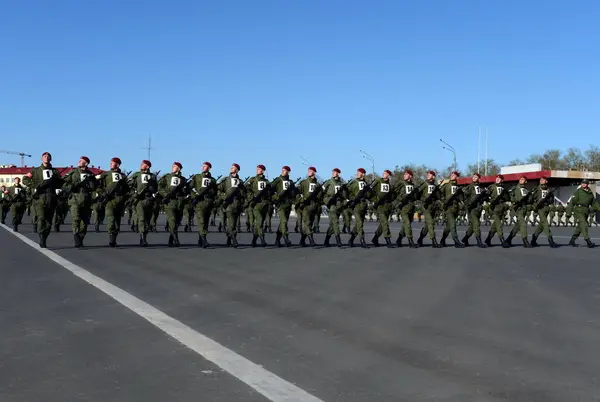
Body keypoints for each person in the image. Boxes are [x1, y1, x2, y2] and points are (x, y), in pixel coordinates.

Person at [22, 152, 64, 248]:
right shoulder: (35, 171)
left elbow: (61, 183)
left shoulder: (55, 172)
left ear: (51, 159)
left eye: (48, 156)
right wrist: (36, 186)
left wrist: (59, 188)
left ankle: (44, 236)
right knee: (41, 218)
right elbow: (25, 179)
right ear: (41, 158)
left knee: (49, 220)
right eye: (45, 156)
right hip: (40, 198)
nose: (46, 158)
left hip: (52, 197)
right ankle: (41, 236)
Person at [62, 156, 98, 247]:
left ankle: (81, 236)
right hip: (75, 197)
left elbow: (94, 187)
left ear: (86, 163)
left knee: (85, 222)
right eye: (79, 160)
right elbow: (63, 183)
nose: (79, 162)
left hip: (86, 198)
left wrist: (90, 182)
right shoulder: (73, 172)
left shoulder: (90, 174)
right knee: (76, 218)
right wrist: (71, 187)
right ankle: (76, 235)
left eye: (82, 161)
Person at [96, 157, 129, 247]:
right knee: (111, 219)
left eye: (112, 162)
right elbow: (99, 186)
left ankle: (114, 239)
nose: (110, 164)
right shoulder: (105, 175)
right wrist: (103, 194)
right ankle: (111, 237)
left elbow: (128, 190)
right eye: (110, 162)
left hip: (120, 201)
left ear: (117, 165)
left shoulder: (123, 176)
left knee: (117, 223)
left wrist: (125, 197)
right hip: (109, 200)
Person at [158, 162, 188, 247]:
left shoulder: (183, 179)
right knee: (172, 220)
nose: (172, 167)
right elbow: (160, 187)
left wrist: (184, 191)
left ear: (179, 168)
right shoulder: (167, 177)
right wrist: (166, 194)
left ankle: (171, 238)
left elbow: (187, 191)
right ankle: (176, 238)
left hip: (180, 202)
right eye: (173, 166)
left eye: (175, 166)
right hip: (170, 201)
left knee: (178, 221)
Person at [218, 163, 246, 247]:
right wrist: (225, 197)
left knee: (233, 223)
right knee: (232, 223)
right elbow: (219, 191)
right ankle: (234, 239)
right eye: (231, 167)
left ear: (237, 170)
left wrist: (242, 204)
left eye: (233, 168)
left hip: (237, 205)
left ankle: (229, 238)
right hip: (229, 204)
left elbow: (243, 195)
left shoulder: (240, 182)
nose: (231, 168)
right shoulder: (225, 180)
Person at [189, 162, 217, 248]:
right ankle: (204, 240)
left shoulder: (213, 180)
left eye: (206, 166)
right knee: (201, 220)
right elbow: (191, 187)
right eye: (203, 166)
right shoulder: (197, 177)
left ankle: (200, 239)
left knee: (205, 222)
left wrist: (211, 194)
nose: (204, 167)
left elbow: (215, 191)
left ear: (209, 168)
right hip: (199, 203)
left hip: (208, 203)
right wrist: (195, 197)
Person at [566, 179, 599, 247]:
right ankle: (588, 241)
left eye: (585, 183)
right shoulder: (578, 192)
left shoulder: (590, 193)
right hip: (578, 210)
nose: (583, 184)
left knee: (580, 227)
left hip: (586, 211)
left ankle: (572, 240)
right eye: (582, 183)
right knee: (584, 224)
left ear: (587, 184)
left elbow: (594, 202)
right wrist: (568, 212)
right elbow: (572, 202)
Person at [270, 165, 297, 247]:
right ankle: (286, 238)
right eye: (282, 170)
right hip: (280, 204)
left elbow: (293, 194)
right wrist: (276, 197)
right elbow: (270, 189)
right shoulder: (278, 180)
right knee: (284, 221)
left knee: (282, 223)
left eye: (285, 170)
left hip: (288, 204)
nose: (283, 171)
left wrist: (291, 191)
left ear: (288, 172)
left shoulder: (291, 182)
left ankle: (277, 240)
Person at [245, 164, 271, 247]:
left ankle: (253, 241)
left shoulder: (267, 182)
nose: (257, 170)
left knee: (260, 223)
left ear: (263, 171)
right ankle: (262, 239)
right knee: (259, 222)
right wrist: (252, 197)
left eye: (259, 169)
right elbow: (247, 189)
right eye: (257, 169)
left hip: (265, 204)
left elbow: (270, 192)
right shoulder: (252, 179)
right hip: (256, 204)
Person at [296, 166, 322, 246]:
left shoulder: (317, 184)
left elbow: (320, 196)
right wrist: (301, 200)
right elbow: (297, 193)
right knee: (307, 223)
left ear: (314, 172)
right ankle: (311, 240)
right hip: (305, 206)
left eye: (310, 170)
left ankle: (302, 241)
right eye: (308, 170)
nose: (309, 171)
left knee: (310, 224)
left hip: (313, 206)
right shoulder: (303, 182)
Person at [530, 176, 558, 248]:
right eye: (541, 179)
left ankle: (534, 239)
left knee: (541, 226)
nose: (541, 181)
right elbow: (531, 199)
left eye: (543, 180)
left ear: (546, 181)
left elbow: (552, 199)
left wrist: (548, 200)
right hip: (540, 208)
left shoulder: (548, 190)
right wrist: (536, 204)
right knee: (545, 223)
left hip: (546, 208)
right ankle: (550, 240)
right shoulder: (537, 189)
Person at [322, 168, 348, 247]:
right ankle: (338, 240)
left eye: (335, 172)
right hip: (331, 204)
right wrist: (326, 200)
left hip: (339, 204)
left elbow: (345, 195)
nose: (333, 173)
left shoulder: (342, 183)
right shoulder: (328, 182)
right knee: (336, 222)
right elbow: (321, 192)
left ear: (338, 173)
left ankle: (327, 239)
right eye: (332, 172)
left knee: (332, 224)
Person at [439, 171, 465, 248]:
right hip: (448, 207)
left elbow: (461, 198)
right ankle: (456, 241)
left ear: (457, 177)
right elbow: (440, 194)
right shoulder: (446, 185)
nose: (452, 176)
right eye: (452, 175)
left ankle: (442, 240)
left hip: (456, 208)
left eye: (454, 175)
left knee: (448, 227)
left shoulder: (458, 186)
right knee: (453, 224)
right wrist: (443, 202)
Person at [461, 173, 487, 247]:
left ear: (479, 178)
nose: (474, 178)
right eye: (474, 177)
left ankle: (464, 239)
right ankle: (479, 242)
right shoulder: (469, 187)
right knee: (476, 224)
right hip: (472, 209)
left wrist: (485, 194)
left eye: (476, 177)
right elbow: (465, 198)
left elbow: (484, 198)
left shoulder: (481, 187)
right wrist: (468, 204)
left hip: (479, 208)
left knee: (473, 226)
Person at [347, 168, 371, 248]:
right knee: (359, 223)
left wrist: (367, 193)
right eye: (358, 172)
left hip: (363, 205)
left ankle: (351, 240)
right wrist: (351, 199)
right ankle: (362, 240)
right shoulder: (353, 182)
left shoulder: (365, 183)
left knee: (358, 224)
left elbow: (368, 195)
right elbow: (348, 192)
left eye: (360, 172)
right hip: (356, 205)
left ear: (363, 174)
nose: (358, 173)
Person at [506, 175, 533, 247]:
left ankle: (508, 240)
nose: (521, 180)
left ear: (525, 181)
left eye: (523, 179)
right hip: (517, 209)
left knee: (517, 226)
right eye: (520, 179)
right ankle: (525, 241)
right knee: (523, 224)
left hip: (524, 209)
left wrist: (529, 198)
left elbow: (530, 200)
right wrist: (514, 201)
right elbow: (510, 196)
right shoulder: (515, 188)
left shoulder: (526, 190)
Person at [370, 169, 394, 247]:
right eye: (383, 173)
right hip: (380, 206)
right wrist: (375, 200)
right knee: (385, 223)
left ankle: (375, 238)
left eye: (385, 173)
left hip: (387, 207)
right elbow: (370, 191)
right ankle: (388, 240)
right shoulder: (378, 181)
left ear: (388, 176)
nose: (383, 174)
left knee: (382, 225)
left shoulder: (389, 184)